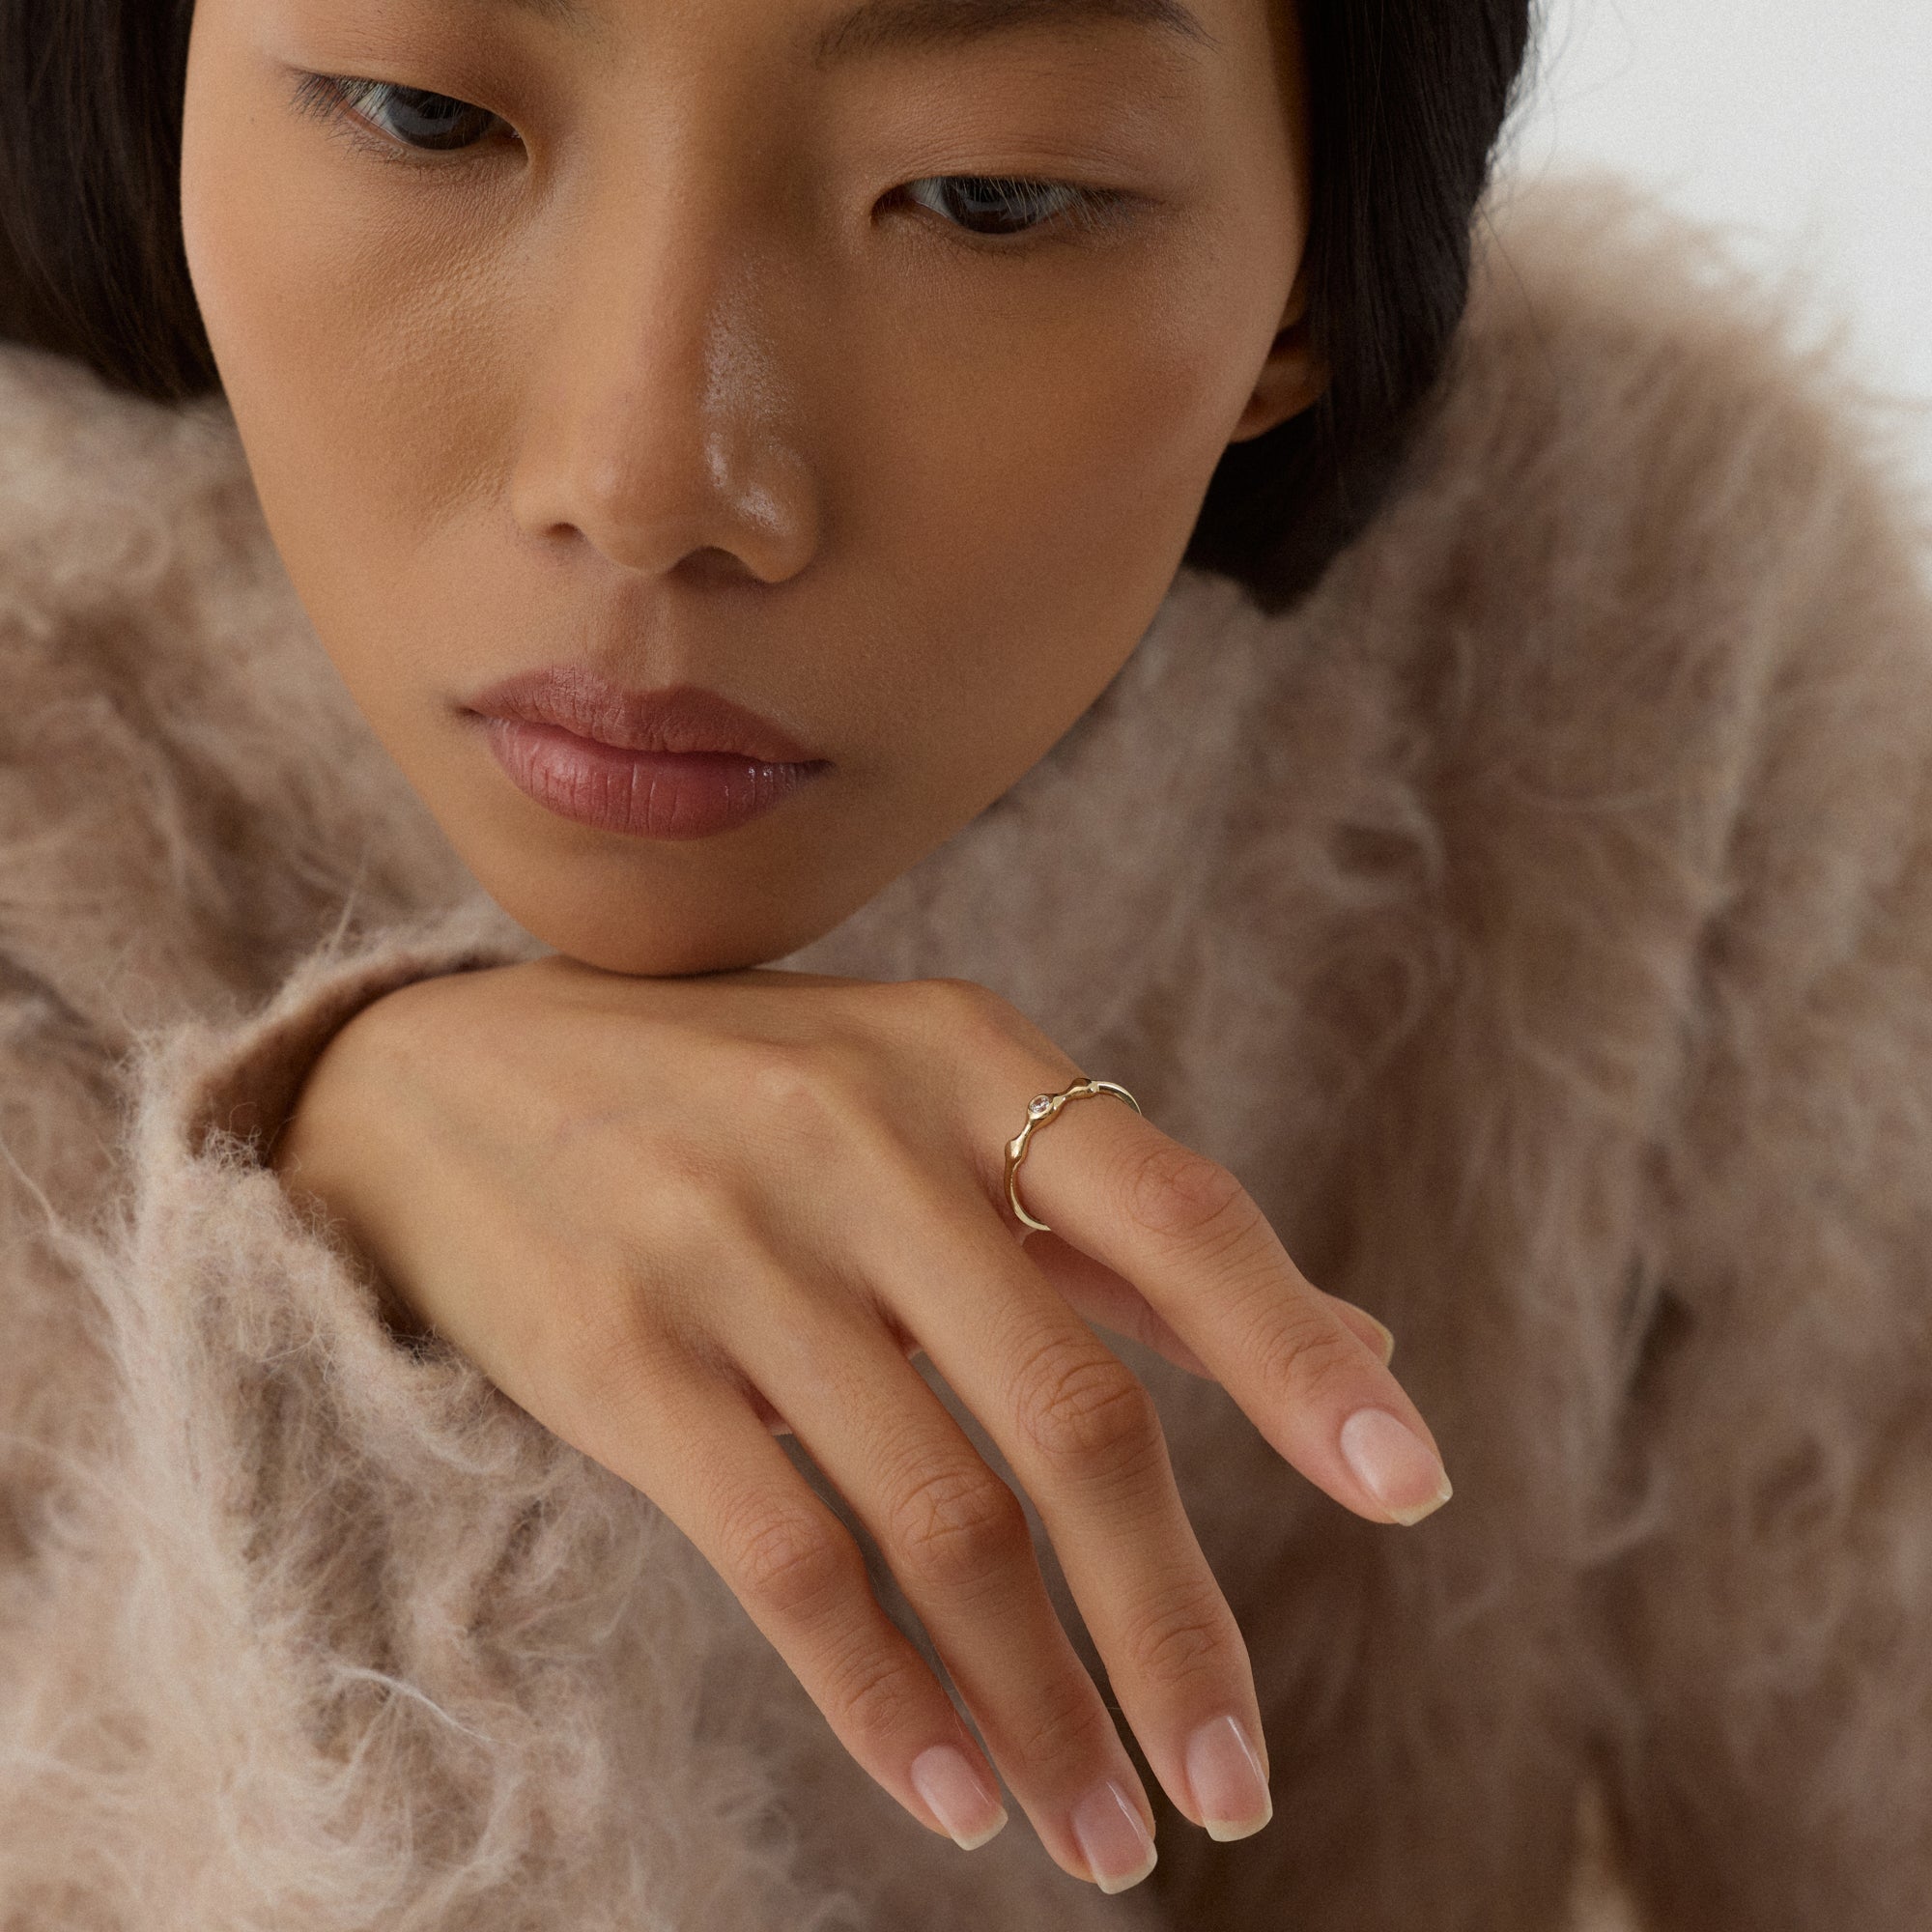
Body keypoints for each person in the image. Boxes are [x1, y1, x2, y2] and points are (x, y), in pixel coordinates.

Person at [0, 0, 1926, 1924]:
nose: (652, 476)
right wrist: (340, 1341)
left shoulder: (1641, 630)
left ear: (1304, 291)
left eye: (990, 195)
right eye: (424, 115)